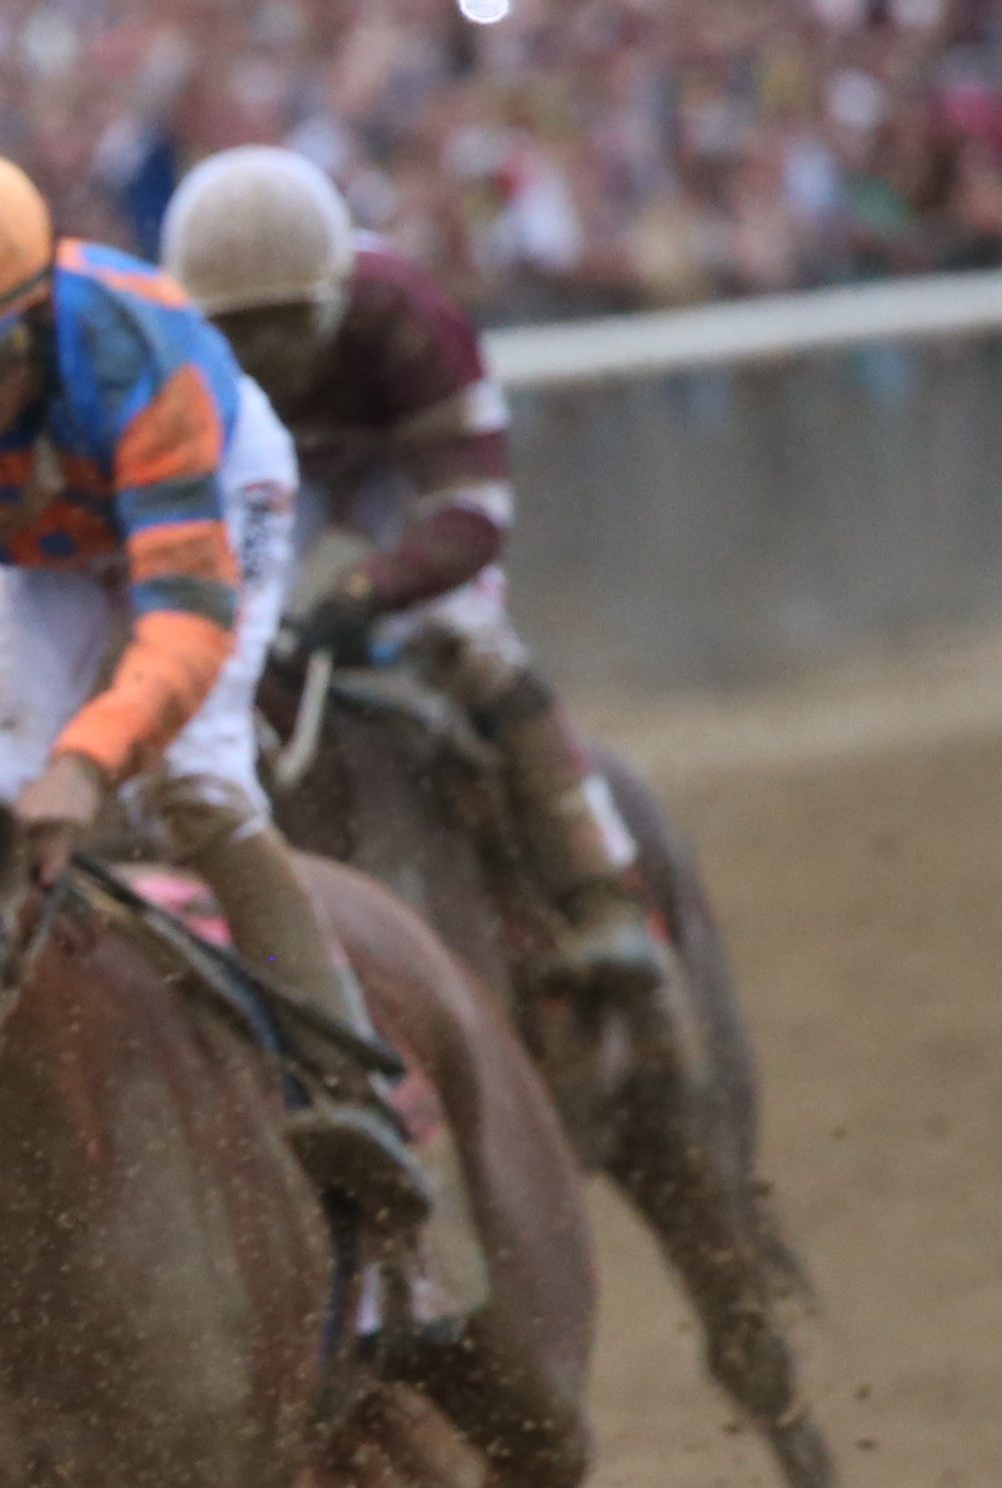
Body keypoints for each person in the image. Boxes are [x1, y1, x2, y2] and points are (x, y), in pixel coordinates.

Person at [0, 146, 434, 1229]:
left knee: (194, 777)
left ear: (35, 318)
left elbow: (181, 619)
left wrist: (88, 764)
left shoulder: (135, 355)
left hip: (211, 495)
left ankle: (347, 1082)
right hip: (39, 542)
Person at [161, 145, 672, 997]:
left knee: (468, 637)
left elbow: (473, 512)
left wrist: (368, 593)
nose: (269, 358)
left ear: (339, 296)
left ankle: (600, 885)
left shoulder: (411, 317)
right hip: (264, 474)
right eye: (240, 334)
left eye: (287, 326)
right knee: (207, 649)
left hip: (391, 465)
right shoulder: (163, 352)